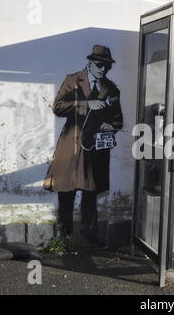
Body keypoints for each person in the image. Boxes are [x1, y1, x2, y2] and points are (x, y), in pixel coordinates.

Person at [43, 44, 123, 245]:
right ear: (90, 62)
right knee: (66, 192)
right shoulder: (73, 80)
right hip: (72, 145)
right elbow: (58, 107)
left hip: (95, 149)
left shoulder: (112, 88)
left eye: (106, 66)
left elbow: (118, 120)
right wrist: (85, 104)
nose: (103, 69)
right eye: (99, 65)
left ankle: (89, 239)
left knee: (90, 195)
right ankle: (64, 236)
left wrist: (109, 125)